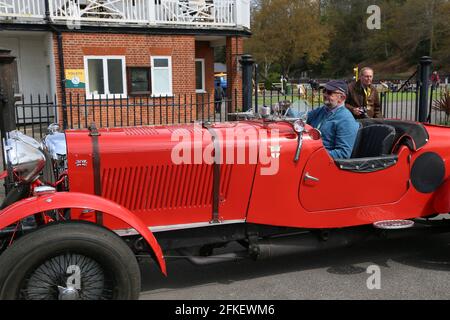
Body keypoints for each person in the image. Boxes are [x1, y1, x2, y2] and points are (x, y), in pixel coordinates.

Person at [306, 80, 359, 160]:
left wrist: (314, 155)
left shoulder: (346, 119)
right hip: (308, 151)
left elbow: (343, 153)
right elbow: (304, 119)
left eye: (330, 92)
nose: (325, 94)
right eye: (324, 91)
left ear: (342, 98)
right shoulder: (321, 111)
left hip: (324, 163)